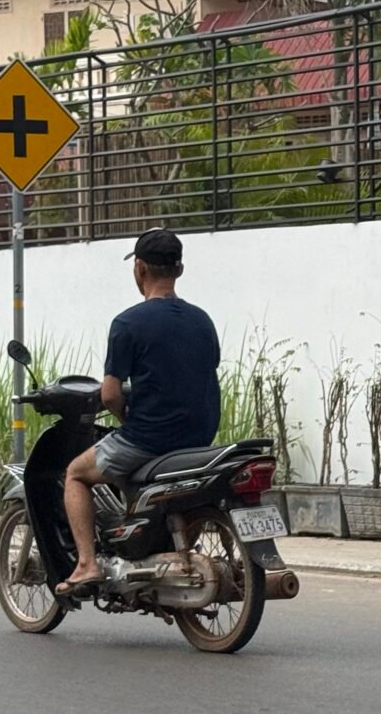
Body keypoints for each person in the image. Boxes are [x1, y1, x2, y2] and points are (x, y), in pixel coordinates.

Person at [55, 228, 221, 596]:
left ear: (140, 268)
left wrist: (125, 418)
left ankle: (86, 564)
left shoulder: (128, 323)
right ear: (179, 269)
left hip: (150, 439)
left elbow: (110, 394)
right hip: (201, 437)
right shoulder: (203, 320)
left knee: (76, 474)